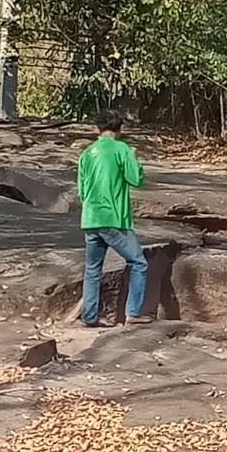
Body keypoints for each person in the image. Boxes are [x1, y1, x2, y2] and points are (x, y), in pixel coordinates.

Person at [77, 118, 150, 327]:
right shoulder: (121, 149)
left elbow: (81, 191)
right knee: (139, 263)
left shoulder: (86, 154)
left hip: (91, 219)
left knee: (92, 269)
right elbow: (136, 179)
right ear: (120, 130)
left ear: (96, 129)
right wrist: (135, 159)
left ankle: (90, 317)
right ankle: (133, 313)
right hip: (114, 219)